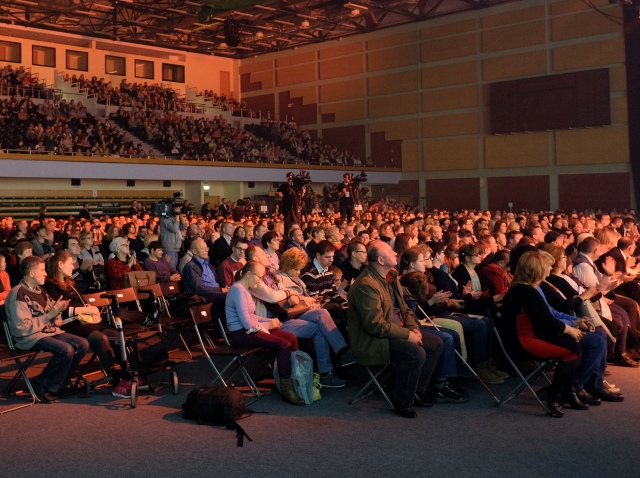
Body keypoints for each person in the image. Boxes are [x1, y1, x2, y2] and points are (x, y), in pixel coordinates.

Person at [347, 240, 444, 418]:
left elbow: (404, 309)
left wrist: (413, 329)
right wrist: (408, 335)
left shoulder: (391, 276)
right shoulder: (366, 285)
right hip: (373, 340)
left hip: (394, 331)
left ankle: (415, 392)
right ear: (380, 260)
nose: (396, 254)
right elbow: (375, 325)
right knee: (416, 353)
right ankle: (402, 400)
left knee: (436, 343)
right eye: (391, 252)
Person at [500, 250, 584, 417]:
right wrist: (571, 329)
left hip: (527, 337)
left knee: (573, 346)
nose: (549, 270)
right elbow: (547, 320)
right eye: (546, 267)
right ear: (536, 270)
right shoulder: (527, 292)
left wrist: (570, 329)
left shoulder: (522, 289)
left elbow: (546, 320)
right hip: (524, 343)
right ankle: (554, 394)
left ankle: (560, 392)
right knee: (574, 351)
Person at [43, 251, 133, 398]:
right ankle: (115, 381)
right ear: (60, 265)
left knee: (117, 336)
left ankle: (128, 375)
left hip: (84, 321)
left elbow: (82, 301)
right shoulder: (50, 285)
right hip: (68, 324)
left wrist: (91, 310)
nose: (73, 266)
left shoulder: (70, 283)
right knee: (100, 338)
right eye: (70, 263)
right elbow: (59, 312)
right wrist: (84, 309)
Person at [5, 256, 90, 403]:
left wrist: (57, 311)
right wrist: (49, 315)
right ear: (31, 273)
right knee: (66, 350)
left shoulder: (40, 291)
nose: (46, 273)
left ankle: (60, 384)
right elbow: (22, 329)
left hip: (48, 331)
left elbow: (55, 320)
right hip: (29, 337)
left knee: (83, 344)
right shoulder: (18, 293)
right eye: (42, 270)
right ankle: (44, 384)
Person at [225, 261, 305, 405]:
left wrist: (269, 320)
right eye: (259, 277)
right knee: (284, 344)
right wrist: (268, 324)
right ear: (249, 274)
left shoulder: (244, 289)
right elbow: (246, 323)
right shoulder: (238, 290)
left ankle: (293, 378)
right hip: (241, 333)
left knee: (291, 338)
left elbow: (251, 316)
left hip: (249, 329)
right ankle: (286, 388)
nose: (260, 281)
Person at [182, 238, 227, 304]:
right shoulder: (191, 266)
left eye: (207, 248)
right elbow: (199, 288)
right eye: (203, 248)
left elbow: (215, 283)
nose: (206, 250)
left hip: (215, 295)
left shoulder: (208, 265)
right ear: (194, 251)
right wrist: (220, 290)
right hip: (204, 298)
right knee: (232, 296)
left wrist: (223, 289)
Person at [160, 205, 188, 269]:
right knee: (170, 269)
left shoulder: (174, 217)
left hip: (176, 248)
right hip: (169, 248)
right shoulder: (164, 218)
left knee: (173, 269)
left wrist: (180, 216)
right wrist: (177, 215)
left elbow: (183, 227)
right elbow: (174, 228)